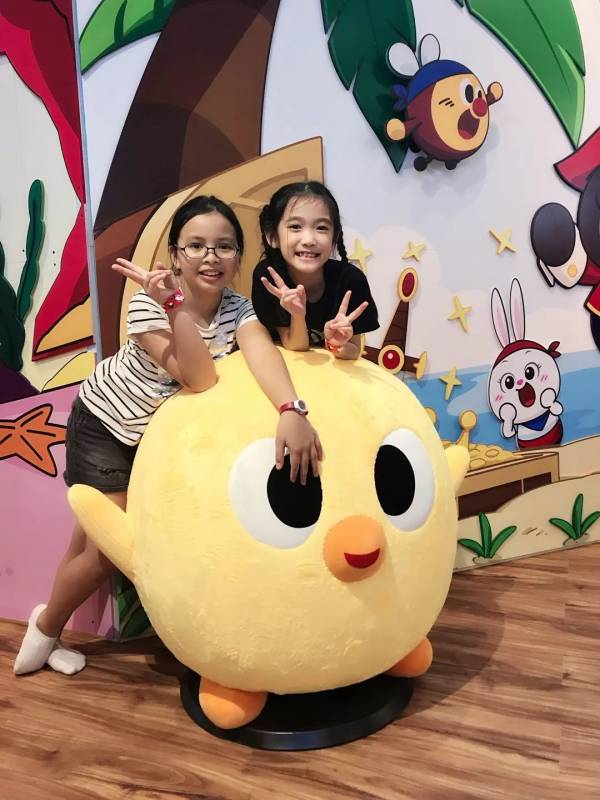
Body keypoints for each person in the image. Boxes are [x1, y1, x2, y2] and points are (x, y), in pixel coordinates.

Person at [14, 195, 322, 676]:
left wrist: (291, 409)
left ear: (238, 256)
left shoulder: (238, 307)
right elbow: (199, 377)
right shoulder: (147, 304)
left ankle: (49, 629)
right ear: (176, 255)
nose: (210, 257)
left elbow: (263, 353)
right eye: (196, 246)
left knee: (87, 542)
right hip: (106, 425)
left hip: (156, 438)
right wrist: (174, 305)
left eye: (224, 246)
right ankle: (46, 627)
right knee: (103, 551)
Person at [252, 181, 379, 358]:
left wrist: (336, 344)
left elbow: (354, 350)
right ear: (272, 236)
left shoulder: (351, 280)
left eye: (321, 228)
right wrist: (297, 316)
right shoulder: (268, 277)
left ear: (334, 237)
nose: (309, 240)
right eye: (295, 227)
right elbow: (294, 345)